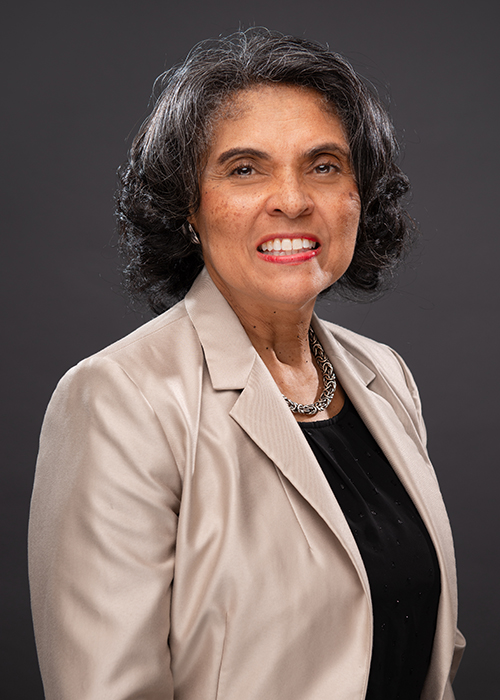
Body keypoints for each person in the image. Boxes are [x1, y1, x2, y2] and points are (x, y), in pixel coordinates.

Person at [28, 28, 465, 700]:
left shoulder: (385, 376)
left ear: (361, 197)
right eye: (244, 169)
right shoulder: (119, 398)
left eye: (325, 166)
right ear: (188, 208)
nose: (292, 200)